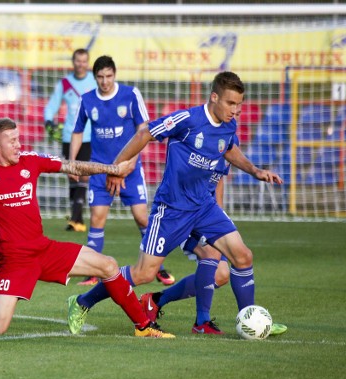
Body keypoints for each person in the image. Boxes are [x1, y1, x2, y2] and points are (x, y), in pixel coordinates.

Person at [0, 118, 173, 339]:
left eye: (18, 138)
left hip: (44, 249)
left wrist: (112, 168)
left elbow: (72, 166)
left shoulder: (30, 160)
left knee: (108, 265)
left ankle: (143, 326)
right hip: (14, 260)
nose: (18, 144)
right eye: (11, 140)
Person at [67, 71, 284, 336]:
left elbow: (228, 148)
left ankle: (251, 320)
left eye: (239, 104)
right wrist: (116, 167)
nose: (236, 110)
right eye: (230, 103)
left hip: (204, 207)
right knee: (144, 273)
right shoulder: (188, 119)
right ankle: (82, 301)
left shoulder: (229, 125)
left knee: (242, 256)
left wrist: (255, 170)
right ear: (214, 97)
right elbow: (146, 132)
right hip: (172, 209)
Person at [140, 133, 287, 336]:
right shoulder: (202, 134)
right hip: (182, 212)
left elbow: (218, 180)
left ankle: (155, 301)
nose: (235, 112)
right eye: (231, 106)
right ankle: (202, 322)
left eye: (238, 108)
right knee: (209, 254)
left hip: (206, 212)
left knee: (222, 274)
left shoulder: (227, 137)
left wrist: (219, 216)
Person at [68, 55, 174, 286]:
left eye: (108, 76)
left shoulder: (130, 95)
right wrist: (72, 161)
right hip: (100, 170)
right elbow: (77, 131)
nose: (105, 81)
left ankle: (157, 266)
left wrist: (131, 163)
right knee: (97, 219)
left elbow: (144, 130)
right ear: (94, 77)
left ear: (114, 75)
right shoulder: (87, 100)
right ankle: (92, 273)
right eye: (100, 77)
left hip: (130, 169)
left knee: (142, 217)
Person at [44, 48, 96, 233]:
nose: (80, 64)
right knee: (72, 175)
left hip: (90, 135)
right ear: (73, 62)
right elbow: (51, 106)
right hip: (69, 135)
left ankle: (75, 218)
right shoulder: (65, 83)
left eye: (84, 61)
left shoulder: (94, 81)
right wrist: (49, 121)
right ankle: (78, 220)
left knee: (83, 174)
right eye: (77, 61)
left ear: (87, 63)